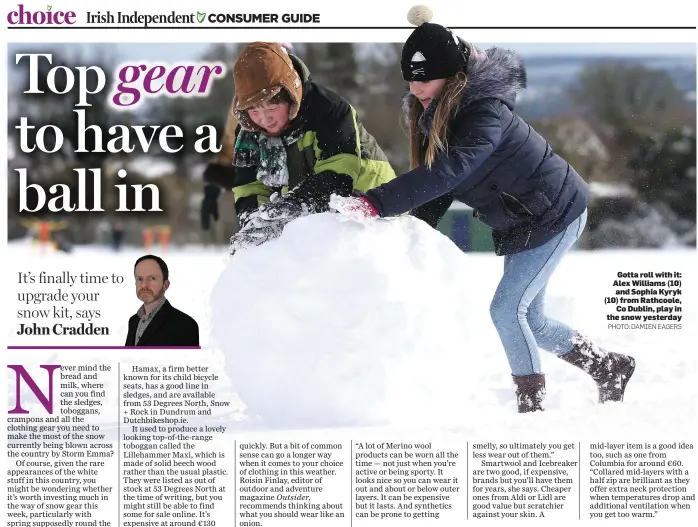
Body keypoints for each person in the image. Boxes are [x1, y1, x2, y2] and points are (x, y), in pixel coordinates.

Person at [330, 5, 636, 413]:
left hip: (556, 212)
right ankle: (609, 367)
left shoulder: (484, 111)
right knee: (534, 320)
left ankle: (531, 405)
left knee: (508, 311)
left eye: (425, 78)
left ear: (454, 76)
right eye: (410, 79)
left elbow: (449, 170)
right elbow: (439, 186)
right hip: (524, 219)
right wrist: (407, 229)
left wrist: (376, 203)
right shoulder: (436, 112)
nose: (416, 88)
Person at [199, 41, 397, 253]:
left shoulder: (330, 111)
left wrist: (293, 206)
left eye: (272, 107)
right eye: (254, 112)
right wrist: (254, 222)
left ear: (290, 95)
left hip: (373, 212)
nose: (265, 120)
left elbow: (337, 176)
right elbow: (249, 186)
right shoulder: (249, 133)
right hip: (312, 220)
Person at [125, 255, 199, 347]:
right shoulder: (133, 321)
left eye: (152, 278)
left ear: (166, 285)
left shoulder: (185, 325)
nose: (144, 285)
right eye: (139, 279)